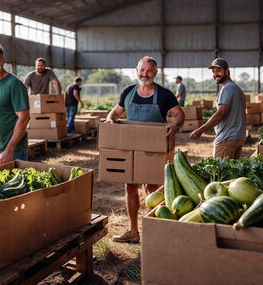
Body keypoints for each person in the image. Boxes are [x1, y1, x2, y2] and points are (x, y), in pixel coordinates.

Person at [105, 56, 184, 243]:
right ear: (136, 70)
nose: (145, 74)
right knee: (130, 186)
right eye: (142, 70)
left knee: (152, 188)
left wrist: (176, 126)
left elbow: (179, 114)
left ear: (156, 73)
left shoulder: (164, 94)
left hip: (153, 150)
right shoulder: (128, 92)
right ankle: (133, 231)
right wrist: (110, 119)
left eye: (149, 71)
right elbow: (115, 112)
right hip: (131, 148)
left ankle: (154, 229)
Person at [190, 58, 246, 159]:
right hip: (237, 137)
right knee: (232, 173)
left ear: (227, 71)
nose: (215, 74)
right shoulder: (236, 88)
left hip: (227, 138)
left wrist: (200, 130)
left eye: (219, 71)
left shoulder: (227, 88)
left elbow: (220, 114)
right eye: (213, 71)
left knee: (220, 173)